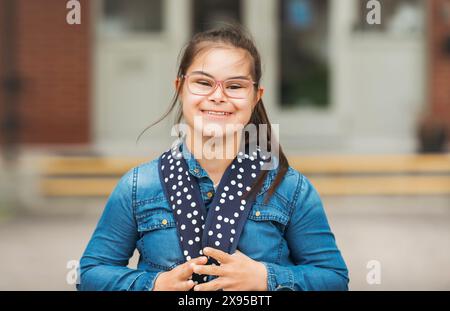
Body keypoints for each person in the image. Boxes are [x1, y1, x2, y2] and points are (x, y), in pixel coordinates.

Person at [77, 24, 349, 291]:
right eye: (203, 82)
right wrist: (154, 285)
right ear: (180, 87)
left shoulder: (290, 188)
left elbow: (334, 278)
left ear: (256, 97)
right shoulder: (138, 187)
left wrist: (265, 279)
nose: (217, 96)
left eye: (235, 86)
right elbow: (90, 274)